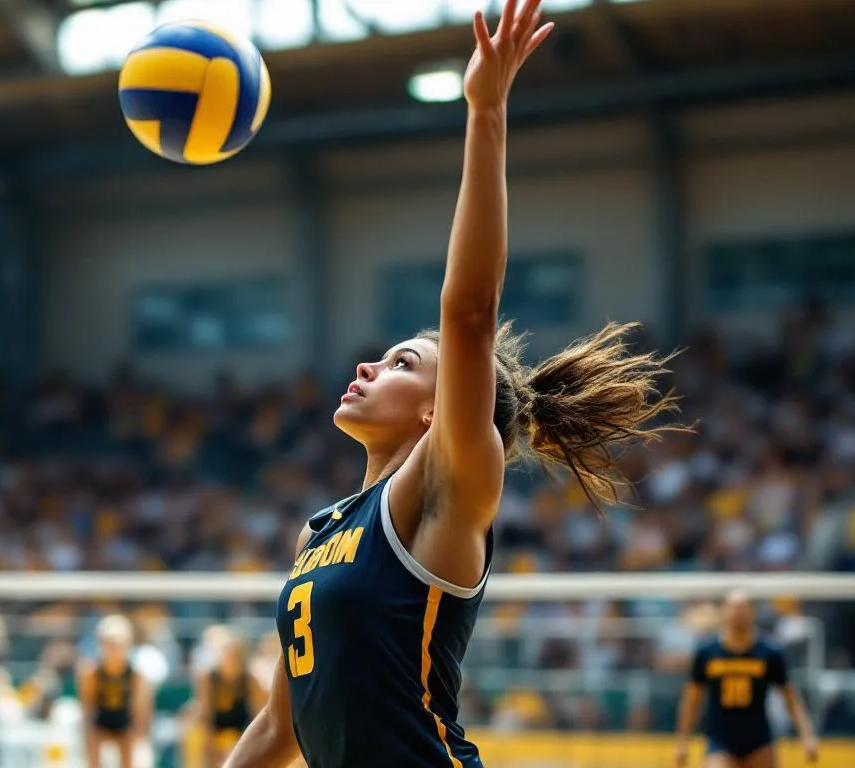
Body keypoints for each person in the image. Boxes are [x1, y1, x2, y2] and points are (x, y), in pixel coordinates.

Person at [223, 1, 682, 765]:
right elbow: (279, 728)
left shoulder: (452, 481)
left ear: (442, 410)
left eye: (404, 362)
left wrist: (486, 111)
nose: (368, 365)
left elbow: (469, 311)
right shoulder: (322, 530)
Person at [676, 590, 819, 768]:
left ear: (753, 612)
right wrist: (682, 741)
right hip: (720, 741)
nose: (738, 613)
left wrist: (807, 735)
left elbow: (790, 697)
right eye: (733, 608)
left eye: (743, 608)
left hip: (760, 742)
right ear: (724, 611)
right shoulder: (707, 652)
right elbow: (692, 699)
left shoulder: (769, 652)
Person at [78, 614, 152, 768]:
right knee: (91, 742)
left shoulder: (136, 674)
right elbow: (87, 706)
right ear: (101, 644)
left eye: (119, 645)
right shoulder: (91, 672)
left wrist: (141, 739)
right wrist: (85, 735)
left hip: (124, 724)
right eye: (110, 644)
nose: (115, 650)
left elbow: (141, 709)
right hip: (100, 723)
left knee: (132, 751)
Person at [196, 630, 266, 767]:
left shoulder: (250, 680)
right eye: (226, 654)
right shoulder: (208, 678)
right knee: (196, 736)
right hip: (215, 729)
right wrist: (209, 743)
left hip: (241, 730)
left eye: (234, 656)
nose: (229, 659)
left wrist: (249, 743)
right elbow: (206, 714)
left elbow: (258, 714)